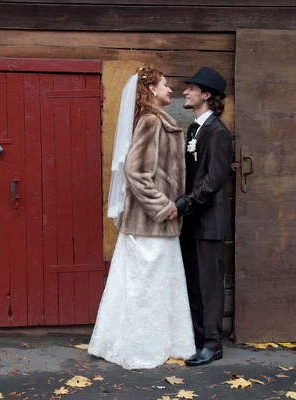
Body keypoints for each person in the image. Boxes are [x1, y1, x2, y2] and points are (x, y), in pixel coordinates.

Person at [88, 66, 195, 370]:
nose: (170, 90)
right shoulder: (150, 121)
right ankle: (139, 347)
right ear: (150, 90)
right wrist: (164, 207)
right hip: (150, 225)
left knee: (156, 286)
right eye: (164, 85)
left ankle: (162, 342)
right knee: (145, 288)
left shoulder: (158, 120)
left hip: (156, 225)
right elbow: (135, 172)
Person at [171, 67, 232, 366]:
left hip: (209, 222)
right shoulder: (195, 129)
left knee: (209, 285)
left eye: (192, 88)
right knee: (193, 283)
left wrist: (183, 204)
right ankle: (197, 338)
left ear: (206, 95)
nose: (186, 91)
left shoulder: (219, 132)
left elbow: (213, 180)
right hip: (192, 221)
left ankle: (212, 343)